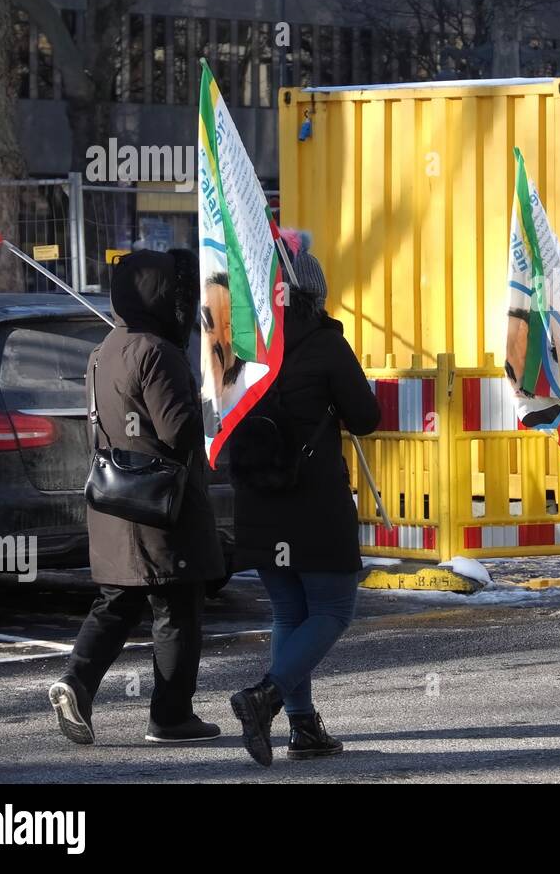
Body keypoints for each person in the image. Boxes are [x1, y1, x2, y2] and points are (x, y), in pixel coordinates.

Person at [49, 248, 225, 745]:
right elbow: (178, 432)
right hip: (161, 506)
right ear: (163, 295)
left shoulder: (103, 349)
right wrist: (200, 402)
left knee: (117, 602)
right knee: (176, 607)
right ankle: (171, 717)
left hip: (114, 499)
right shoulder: (158, 352)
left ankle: (76, 682)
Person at [227, 232, 380, 765]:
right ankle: (264, 698)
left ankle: (303, 728)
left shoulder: (245, 347)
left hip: (258, 500)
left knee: (289, 613)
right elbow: (366, 417)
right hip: (314, 502)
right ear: (313, 294)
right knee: (334, 609)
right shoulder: (324, 343)